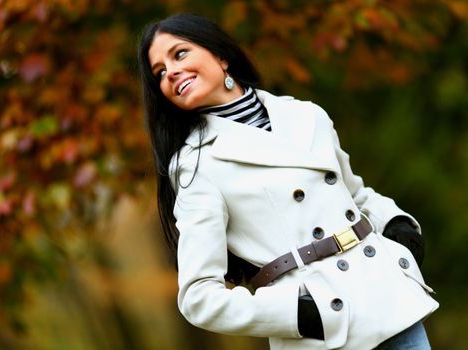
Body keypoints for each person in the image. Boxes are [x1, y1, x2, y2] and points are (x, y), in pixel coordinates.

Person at [137, 13, 439, 350]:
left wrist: (398, 224)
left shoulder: (307, 115)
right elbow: (197, 297)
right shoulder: (195, 165)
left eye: (179, 54)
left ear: (221, 56)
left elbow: (354, 195)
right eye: (160, 73)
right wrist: (297, 312)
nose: (171, 72)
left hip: (388, 300)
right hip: (327, 332)